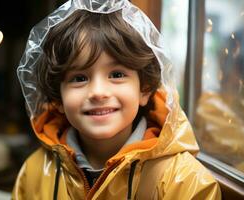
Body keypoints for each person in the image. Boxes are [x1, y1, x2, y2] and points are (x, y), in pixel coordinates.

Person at [13, 0, 221, 199]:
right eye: (79, 78)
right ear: (57, 98)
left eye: (117, 74)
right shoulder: (35, 172)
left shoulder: (184, 181)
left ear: (145, 89)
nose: (98, 92)